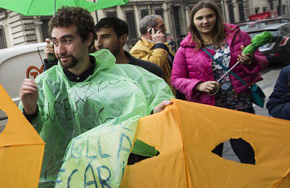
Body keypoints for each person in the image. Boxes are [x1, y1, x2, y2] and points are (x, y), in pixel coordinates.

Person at [20, 7, 173, 188]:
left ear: (89, 39)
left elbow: (150, 104)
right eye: (55, 42)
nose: (60, 50)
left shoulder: (123, 77)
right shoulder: (45, 83)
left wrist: (156, 113)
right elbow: (26, 141)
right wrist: (30, 110)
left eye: (67, 40)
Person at [171, 1, 267, 164]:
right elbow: (176, 79)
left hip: (239, 107)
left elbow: (263, 62)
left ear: (217, 16)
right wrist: (198, 85)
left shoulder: (239, 37)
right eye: (199, 18)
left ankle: (255, 186)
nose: (205, 21)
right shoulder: (185, 48)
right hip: (207, 111)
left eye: (209, 16)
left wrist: (250, 60)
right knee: (213, 157)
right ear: (193, 22)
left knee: (248, 155)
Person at [94, 17, 164, 78]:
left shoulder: (149, 70)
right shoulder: (93, 73)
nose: (98, 44)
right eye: (96, 38)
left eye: (105, 37)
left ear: (123, 38)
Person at [131, 14, 176, 91]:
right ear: (150, 30)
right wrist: (159, 45)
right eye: (161, 26)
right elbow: (154, 68)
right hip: (162, 94)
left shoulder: (163, 45)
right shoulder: (136, 50)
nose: (165, 29)